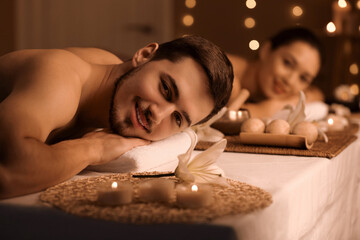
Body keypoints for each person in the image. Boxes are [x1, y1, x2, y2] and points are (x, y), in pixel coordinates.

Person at [0, 35, 233, 199]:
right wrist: (93, 149)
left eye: (178, 119)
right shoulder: (60, 78)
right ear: (144, 55)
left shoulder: (109, 72)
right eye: (165, 89)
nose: (158, 114)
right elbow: (10, 172)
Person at [227, 27, 324, 118]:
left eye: (303, 78)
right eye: (287, 63)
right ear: (266, 50)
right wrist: (263, 110)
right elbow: (226, 116)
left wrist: (279, 105)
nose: (290, 80)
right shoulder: (227, 74)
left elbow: (317, 94)